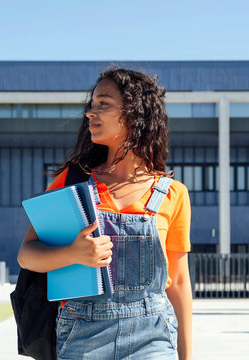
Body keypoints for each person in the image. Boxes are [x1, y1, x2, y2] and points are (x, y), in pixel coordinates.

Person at [17, 67, 192, 360]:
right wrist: (74, 253)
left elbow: (180, 283)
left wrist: (187, 357)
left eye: (103, 104)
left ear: (135, 113)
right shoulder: (71, 184)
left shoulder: (173, 194)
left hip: (153, 337)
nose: (90, 114)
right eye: (92, 105)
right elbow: (27, 255)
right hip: (81, 336)